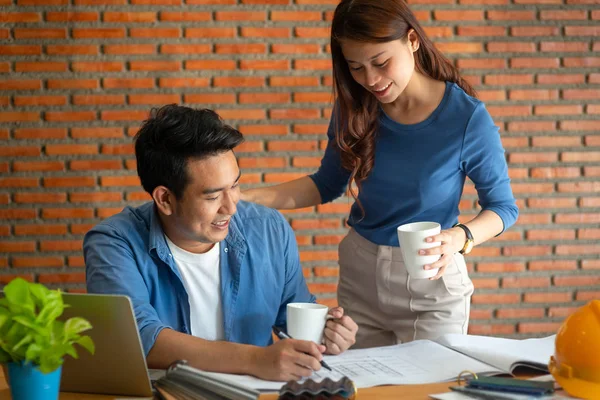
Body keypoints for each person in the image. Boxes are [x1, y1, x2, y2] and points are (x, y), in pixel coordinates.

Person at [242, 0, 518, 349]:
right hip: (362, 278)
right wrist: (245, 198)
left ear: (412, 40)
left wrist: (459, 238)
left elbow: (503, 208)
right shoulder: (354, 109)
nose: (370, 80)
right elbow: (324, 185)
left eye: (381, 62)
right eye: (356, 67)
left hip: (431, 284)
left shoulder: (466, 118)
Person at [84, 105, 358, 382]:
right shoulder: (114, 243)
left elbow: (293, 315)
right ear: (165, 199)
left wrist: (326, 333)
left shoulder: (269, 228)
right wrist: (255, 359)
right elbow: (137, 338)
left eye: (235, 186)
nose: (231, 207)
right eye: (213, 197)